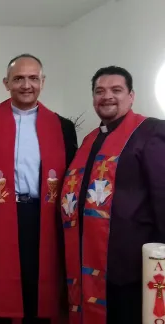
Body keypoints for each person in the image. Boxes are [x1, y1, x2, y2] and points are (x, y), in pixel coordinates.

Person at [0, 54, 77, 323]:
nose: (26, 85)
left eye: (32, 78)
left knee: (38, 284)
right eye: (18, 78)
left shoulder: (62, 125)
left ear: (42, 81)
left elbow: (71, 179)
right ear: (6, 83)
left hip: (43, 216)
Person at [60, 66, 165, 323]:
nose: (107, 96)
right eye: (100, 91)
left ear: (131, 96)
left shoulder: (150, 132)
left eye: (116, 90)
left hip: (130, 264)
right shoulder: (90, 139)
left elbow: (162, 195)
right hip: (89, 260)